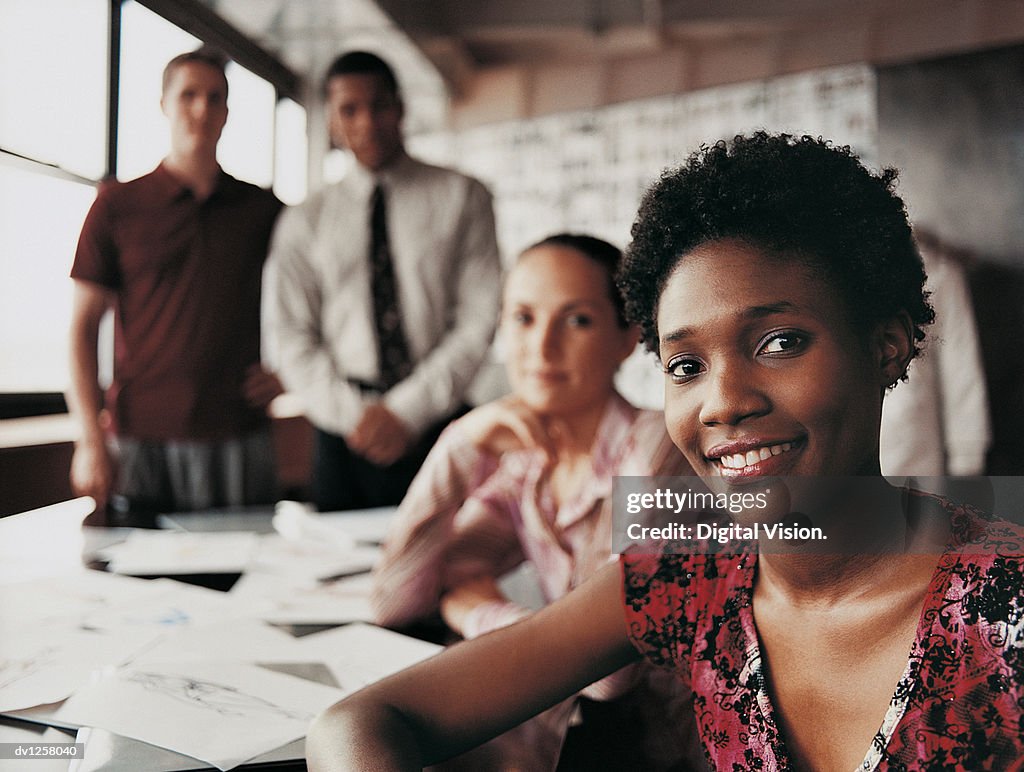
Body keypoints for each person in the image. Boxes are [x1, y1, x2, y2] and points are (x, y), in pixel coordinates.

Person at [305, 133, 1024, 771]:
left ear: (886, 345)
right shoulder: (687, 572)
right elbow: (358, 723)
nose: (723, 402)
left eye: (779, 342)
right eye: (686, 367)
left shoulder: (1004, 601)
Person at [371, 233, 697, 770]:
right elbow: (394, 600)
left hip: (679, 751)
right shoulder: (525, 465)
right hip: (583, 741)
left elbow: (608, 675)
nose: (542, 347)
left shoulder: (656, 447)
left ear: (628, 337)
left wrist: (477, 610)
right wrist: (458, 445)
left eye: (577, 321)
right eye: (522, 318)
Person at [267, 51, 501, 512]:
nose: (367, 123)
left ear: (400, 108)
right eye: (349, 110)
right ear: (332, 121)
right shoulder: (305, 220)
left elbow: (479, 318)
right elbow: (289, 334)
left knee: (453, 566)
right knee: (342, 575)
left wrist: (406, 411)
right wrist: (358, 416)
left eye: (380, 106)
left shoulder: (462, 196)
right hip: (342, 432)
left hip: (439, 417)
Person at [68, 47, 283, 525]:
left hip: (237, 434)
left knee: (245, 585)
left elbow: (315, 302)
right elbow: (82, 330)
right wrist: (89, 439)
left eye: (215, 98)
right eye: (188, 96)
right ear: (164, 104)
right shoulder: (116, 207)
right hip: (140, 439)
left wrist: (287, 371)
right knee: (138, 592)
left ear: (227, 111)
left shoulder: (263, 210)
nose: (202, 109)